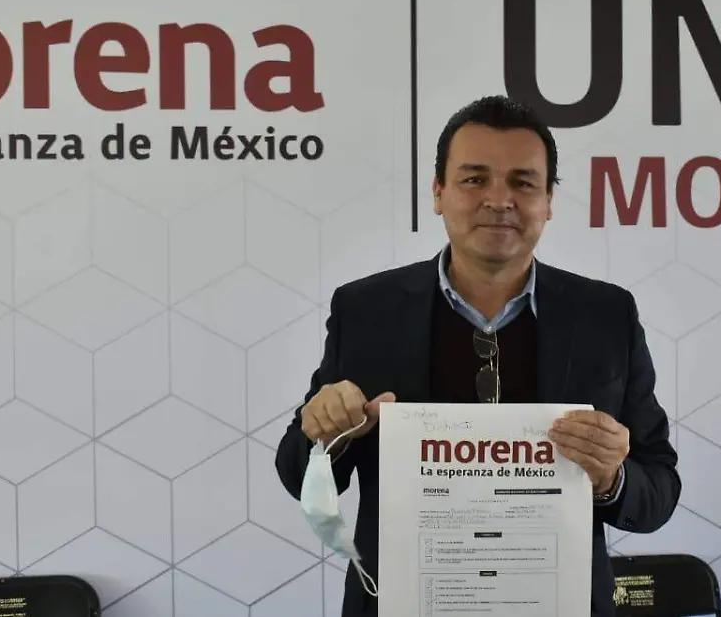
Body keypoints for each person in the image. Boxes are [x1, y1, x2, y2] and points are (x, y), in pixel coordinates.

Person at [275, 95, 681, 617]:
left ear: (549, 201)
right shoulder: (366, 310)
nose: (499, 199)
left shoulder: (606, 316)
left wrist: (611, 478)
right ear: (438, 193)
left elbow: (659, 489)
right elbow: (298, 474)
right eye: (474, 179)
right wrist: (326, 435)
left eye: (523, 183)